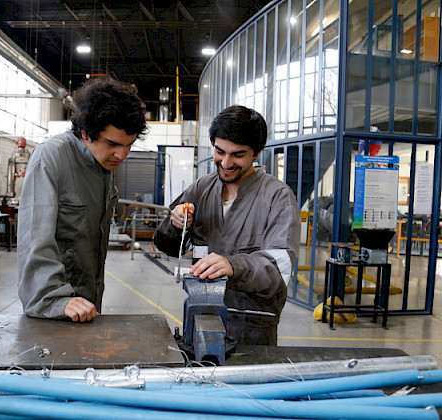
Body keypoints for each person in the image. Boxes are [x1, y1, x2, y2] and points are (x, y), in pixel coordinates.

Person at [153, 105, 301, 346]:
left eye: (238, 155)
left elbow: (277, 269)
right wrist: (177, 224)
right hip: (201, 315)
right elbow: (167, 246)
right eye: (220, 152)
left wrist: (233, 266)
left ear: (257, 153)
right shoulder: (201, 189)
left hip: (252, 327)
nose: (226, 162)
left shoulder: (278, 197)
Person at [18, 77, 147, 322]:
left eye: (129, 145)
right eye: (112, 144)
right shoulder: (51, 158)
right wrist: (54, 298)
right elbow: (34, 239)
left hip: (88, 303)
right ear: (86, 133)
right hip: (57, 306)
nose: (122, 154)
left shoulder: (103, 164)